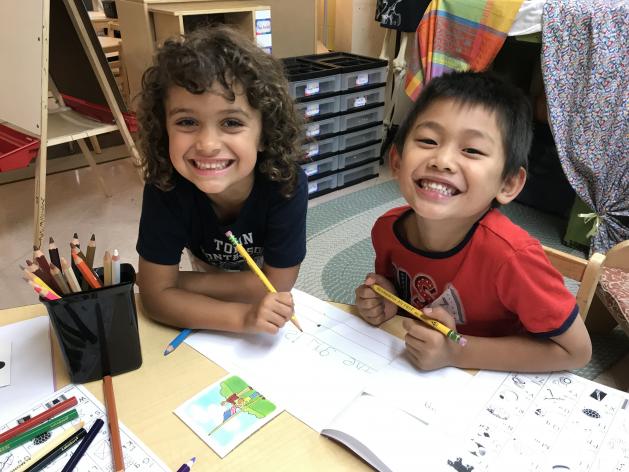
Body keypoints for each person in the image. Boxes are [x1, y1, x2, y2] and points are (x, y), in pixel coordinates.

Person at [355, 71, 592, 372]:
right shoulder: (387, 230)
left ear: (507, 184)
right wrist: (388, 298)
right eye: (428, 140)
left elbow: (577, 351)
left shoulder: (513, 258)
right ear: (397, 162)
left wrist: (455, 354)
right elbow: (407, 297)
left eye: (472, 150)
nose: (442, 160)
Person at [136, 25, 307, 334]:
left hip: (243, 289)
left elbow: (274, 285)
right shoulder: (166, 186)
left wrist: (177, 284)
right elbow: (155, 298)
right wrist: (241, 318)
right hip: (212, 278)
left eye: (231, 122)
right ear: (164, 130)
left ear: (265, 134)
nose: (208, 144)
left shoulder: (286, 186)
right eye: (187, 122)